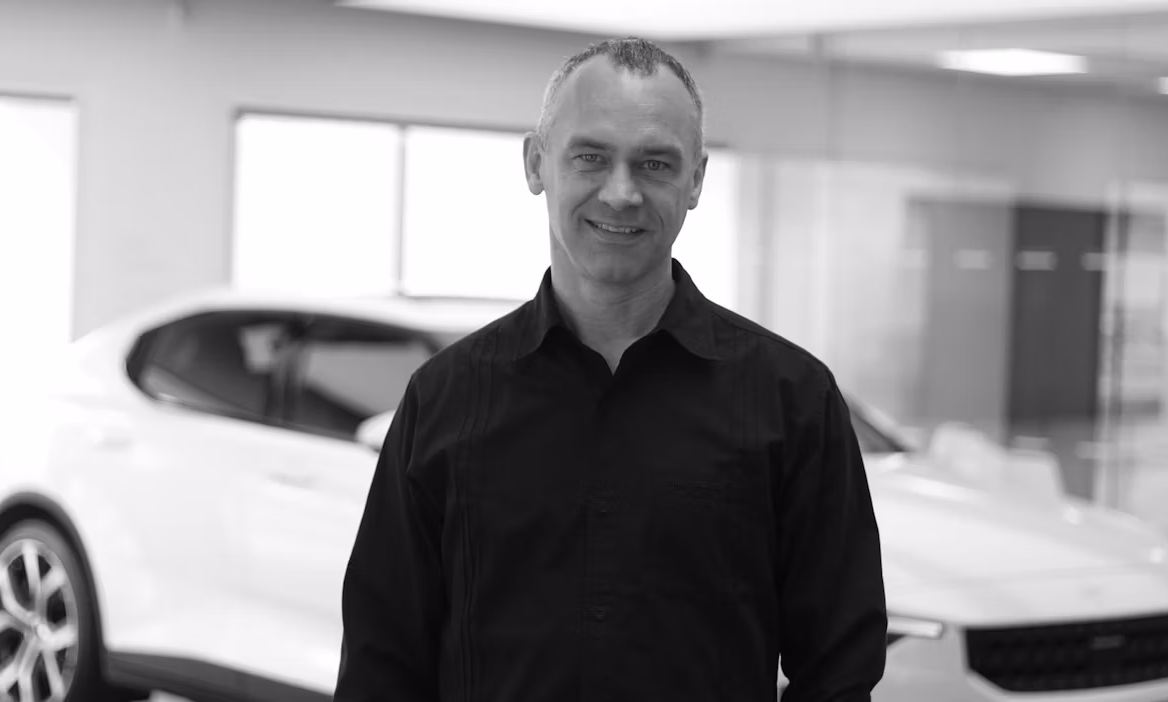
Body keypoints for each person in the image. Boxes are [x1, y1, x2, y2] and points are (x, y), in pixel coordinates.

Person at [334, 37, 887, 702]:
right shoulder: (445, 398)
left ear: (697, 180)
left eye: (655, 164)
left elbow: (839, 668)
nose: (621, 194)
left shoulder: (792, 400)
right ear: (538, 163)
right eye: (591, 157)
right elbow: (382, 663)